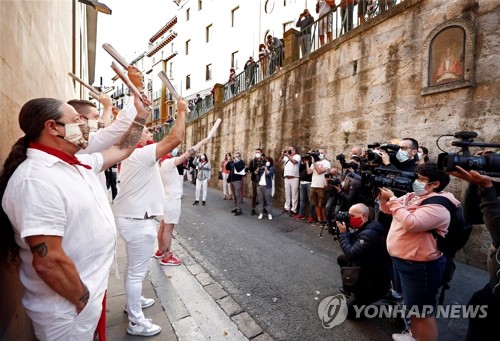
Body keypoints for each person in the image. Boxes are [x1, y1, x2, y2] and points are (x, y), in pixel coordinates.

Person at [0, 94, 151, 340]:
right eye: (76, 119)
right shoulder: (34, 181)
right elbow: (48, 261)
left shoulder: (78, 162)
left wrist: (141, 115)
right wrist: (82, 300)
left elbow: (123, 149)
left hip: (84, 303)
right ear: (52, 128)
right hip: (68, 313)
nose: (86, 124)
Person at [112, 96, 188, 337]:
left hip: (133, 218)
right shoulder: (140, 153)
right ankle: (136, 321)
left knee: (133, 270)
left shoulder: (131, 154)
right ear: (134, 136)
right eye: (145, 129)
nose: (148, 131)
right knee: (136, 273)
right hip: (138, 221)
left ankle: (131, 304)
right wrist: (182, 111)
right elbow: (175, 138)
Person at [379, 163, 460, 341]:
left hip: (420, 266)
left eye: (422, 179)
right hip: (402, 260)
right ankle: (413, 334)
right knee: (411, 305)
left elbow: (412, 223)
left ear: (435, 184)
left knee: (422, 312)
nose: (417, 181)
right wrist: (384, 198)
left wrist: (392, 200)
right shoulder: (413, 196)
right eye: (417, 177)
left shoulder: (439, 206)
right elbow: (387, 210)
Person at [448, 166, 500, 341]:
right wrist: (473, 184)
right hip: (495, 282)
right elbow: (472, 216)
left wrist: (486, 188)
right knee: (479, 306)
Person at [155, 138, 211, 266]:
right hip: (172, 199)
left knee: (163, 226)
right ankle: (167, 256)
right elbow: (186, 155)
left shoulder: (160, 164)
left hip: (166, 198)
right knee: (168, 229)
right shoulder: (168, 163)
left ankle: (160, 250)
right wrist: (201, 143)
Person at [336, 203, 392, 319]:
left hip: (374, 282)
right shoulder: (365, 226)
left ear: (364, 216)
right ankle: (350, 289)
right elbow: (352, 246)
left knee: (349, 312)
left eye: (352, 216)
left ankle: (390, 310)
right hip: (366, 271)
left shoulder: (370, 233)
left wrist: (343, 234)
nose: (349, 218)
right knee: (342, 258)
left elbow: (351, 253)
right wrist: (345, 231)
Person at [307, 149, 331, 226]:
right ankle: (319, 219)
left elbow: (319, 171)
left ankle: (325, 221)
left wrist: (314, 162)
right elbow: (309, 172)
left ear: (325, 154)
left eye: (321, 153)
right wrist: (308, 162)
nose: (320, 154)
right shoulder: (315, 162)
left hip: (321, 186)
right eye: (319, 153)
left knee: (322, 205)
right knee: (316, 204)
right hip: (313, 185)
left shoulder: (327, 163)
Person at [280, 146, 301, 216]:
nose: (289, 151)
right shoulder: (286, 157)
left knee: (294, 194)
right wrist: (282, 154)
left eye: (290, 150)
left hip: (294, 178)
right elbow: (279, 161)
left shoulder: (297, 156)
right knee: (287, 193)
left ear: (294, 150)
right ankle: (287, 207)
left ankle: (293, 209)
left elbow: (294, 162)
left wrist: (288, 155)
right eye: (288, 150)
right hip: (287, 178)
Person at [226, 151, 246, 216]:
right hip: (232, 180)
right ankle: (236, 207)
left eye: (237, 157)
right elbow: (227, 168)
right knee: (234, 195)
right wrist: (229, 161)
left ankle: (239, 209)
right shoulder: (232, 162)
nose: (236, 158)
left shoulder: (241, 162)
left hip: (237, 180)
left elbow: (238, 169)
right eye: (235, 157)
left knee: (238, 195)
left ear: (240, 157)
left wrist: (234, 163)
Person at [248, 148, 266, 215]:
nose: (257, 153)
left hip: (262, 180)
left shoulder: (264, 160)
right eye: (256, 152)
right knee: (254, 194)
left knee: (262, 195)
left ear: (261, 153)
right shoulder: (252, 161)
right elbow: (249, 169)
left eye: (258, 152)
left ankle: (263, 208)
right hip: (255, 180)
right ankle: (253, 209)